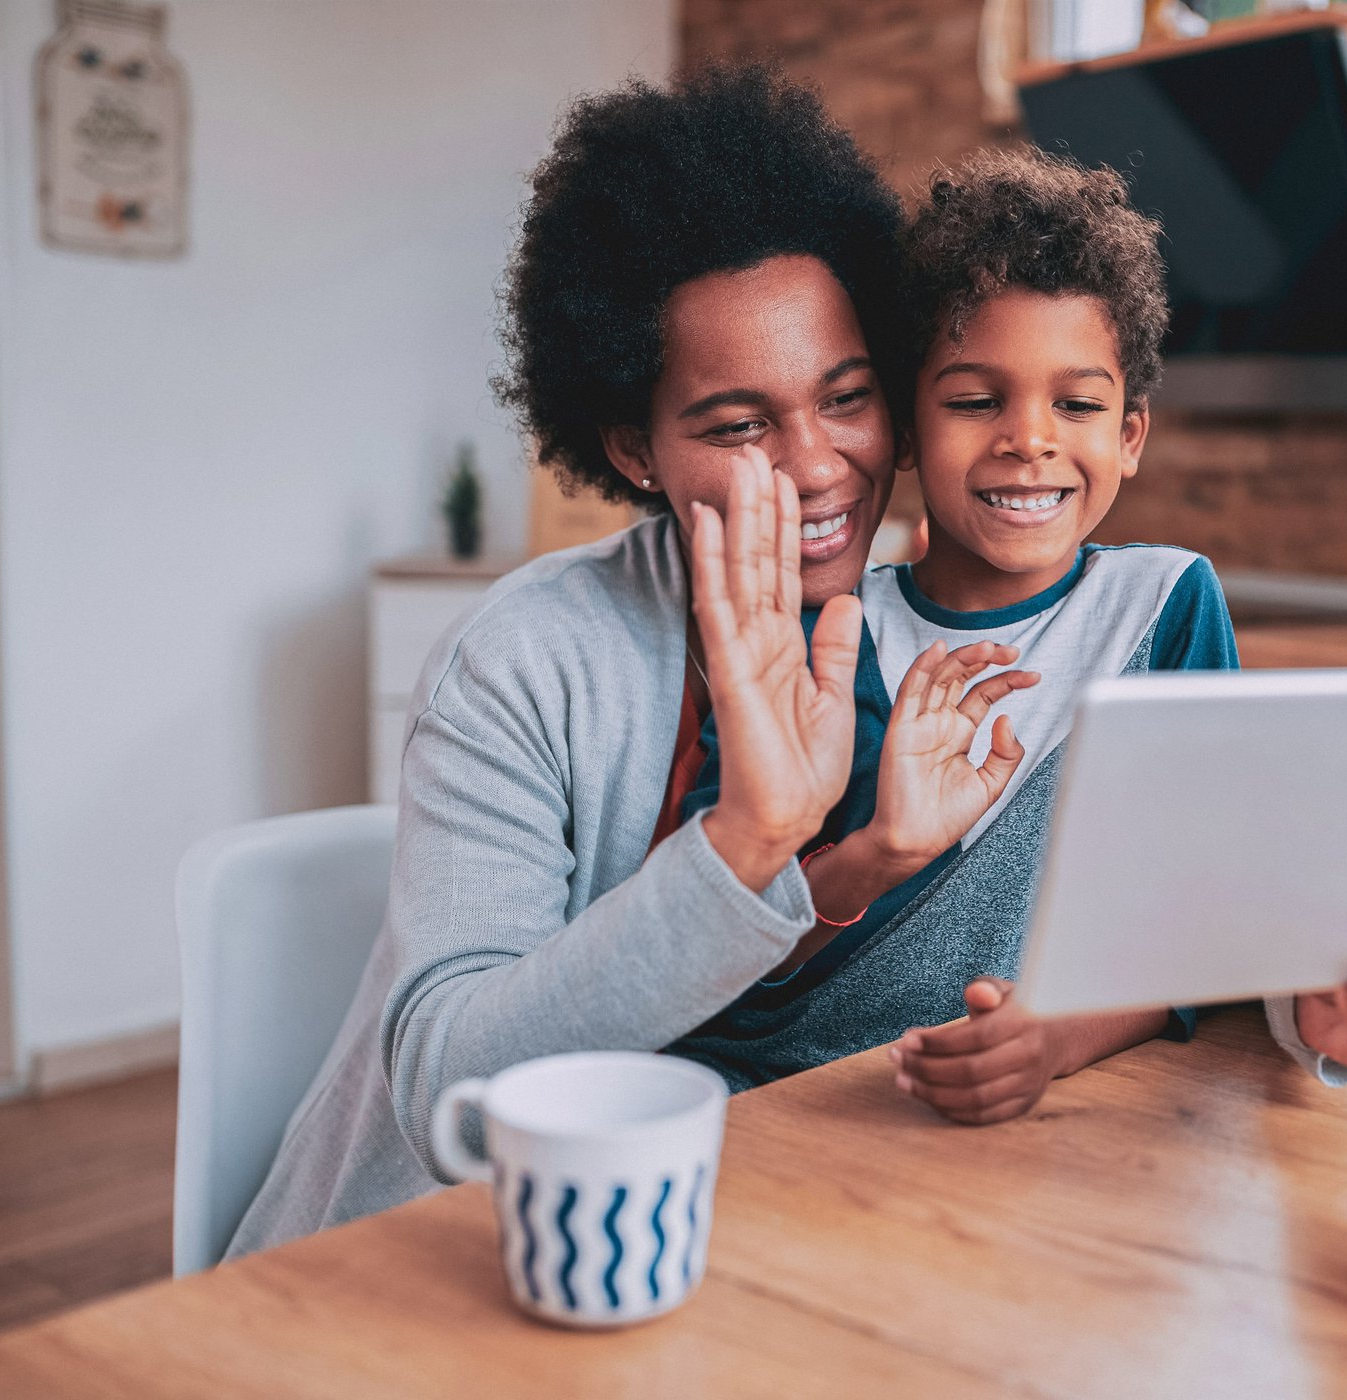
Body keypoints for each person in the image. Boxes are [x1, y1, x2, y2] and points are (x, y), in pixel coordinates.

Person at [228, 65, 918, 1256]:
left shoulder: (927, 629)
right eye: (740, 424)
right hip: (421, 1261)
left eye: (847, 397)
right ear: (632, 446)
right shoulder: (520, 661)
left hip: (723, 1239)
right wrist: (745, 840)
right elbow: (449, 1087)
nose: (816, 465)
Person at [674, 147, 1347, 1124]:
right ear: (905, 427)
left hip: (1049, 1117)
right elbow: (717, 951)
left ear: (1131, 435)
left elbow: (1204, 914)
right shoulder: (819, 636)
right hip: (786, 1100)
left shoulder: (1168, 606)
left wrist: (1061, 1033)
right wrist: (877, 851)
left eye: (1077, 403)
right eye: (976, 399)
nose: (1030, 437)